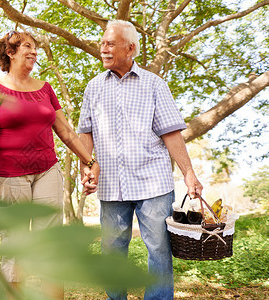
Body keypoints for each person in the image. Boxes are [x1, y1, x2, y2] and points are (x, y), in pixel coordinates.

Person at [77, 20, 203, 300]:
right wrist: (86, 167)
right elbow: (85, 133)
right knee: (112, 251)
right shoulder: (93, 87)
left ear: (130, 48)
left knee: (159, 249)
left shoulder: (154, 84)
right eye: (102, 43)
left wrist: (188, 173)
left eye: (110, 44)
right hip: (111, 184)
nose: (104, 49)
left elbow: (171, 133)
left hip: (152, 183)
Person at [0, 30, 100, 300]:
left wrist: (90, 161)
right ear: (10, 52)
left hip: (47, 171)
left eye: (36, 48)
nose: (34, 52)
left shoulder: (45, 89)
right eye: (28, 47)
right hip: (9, 176)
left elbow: (66, 132)